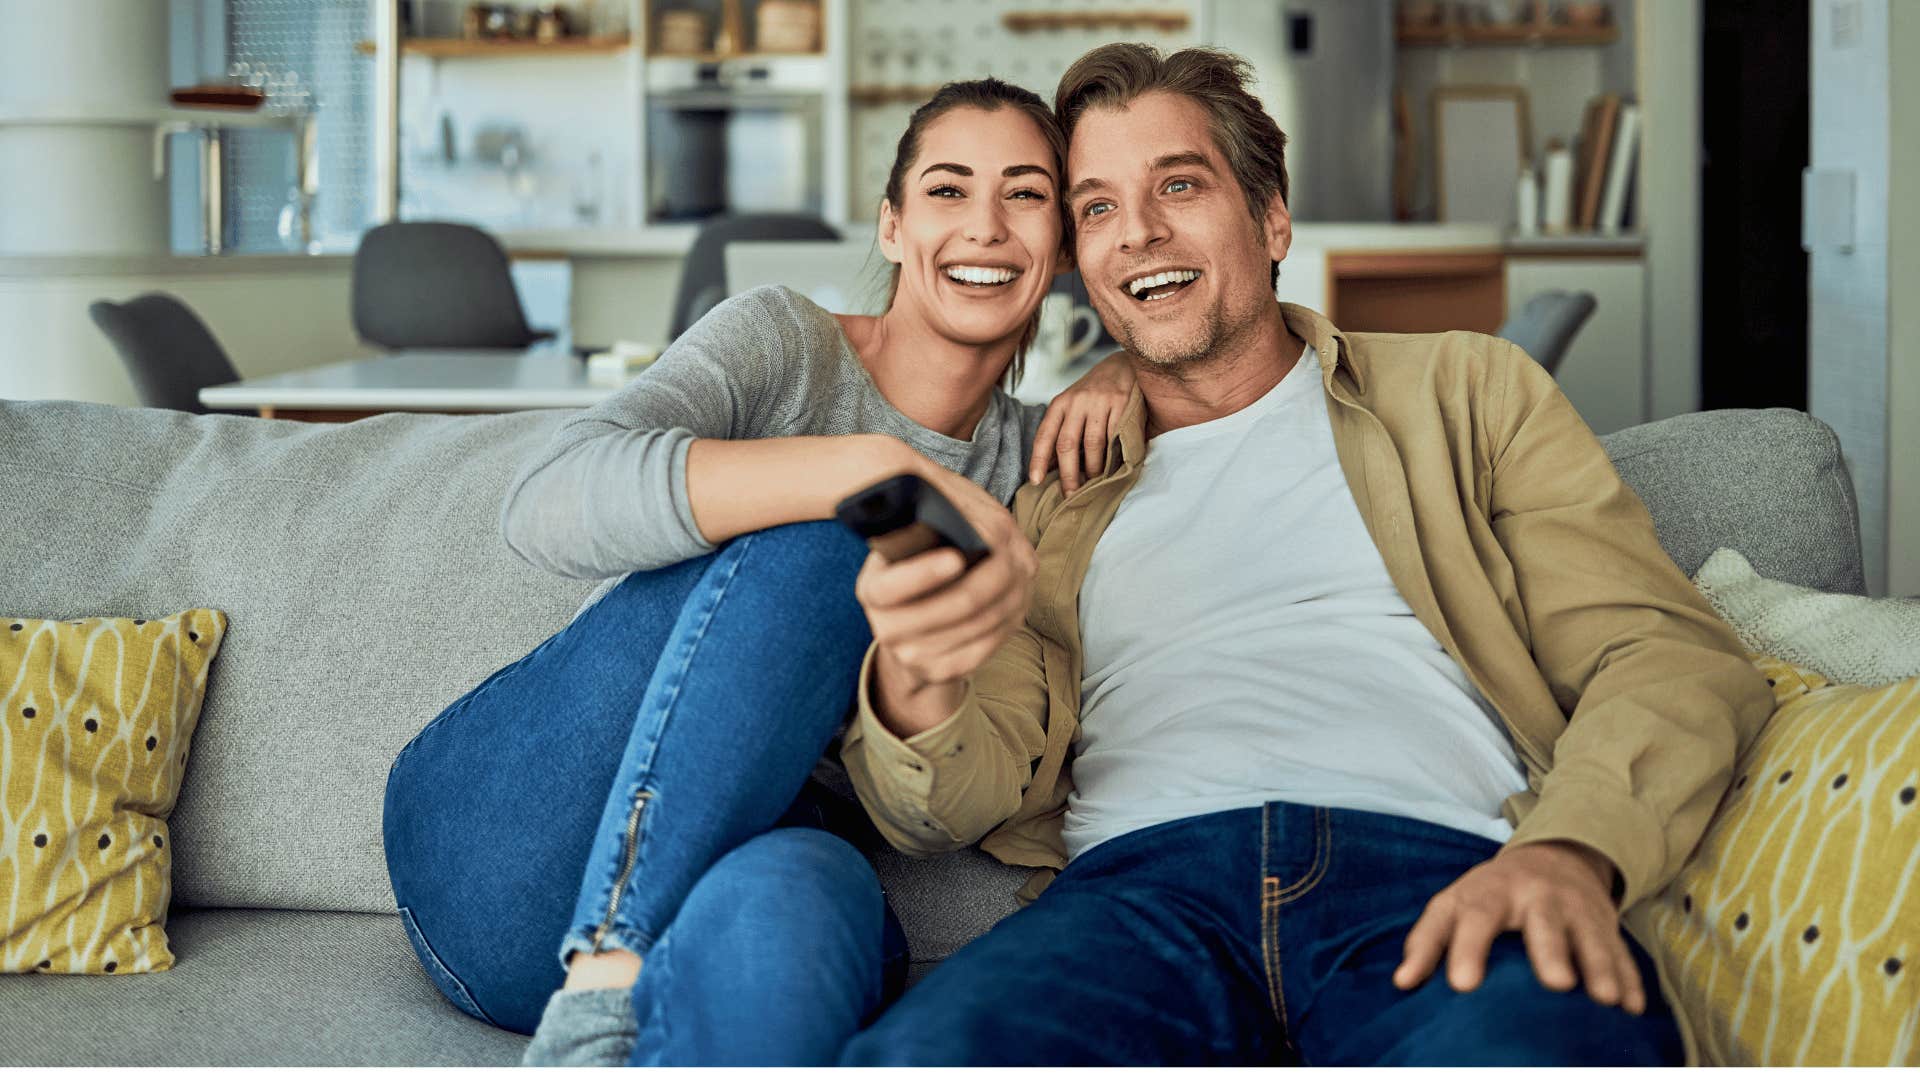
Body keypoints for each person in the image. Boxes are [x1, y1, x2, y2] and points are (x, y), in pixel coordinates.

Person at [833, 44, 1775, 1066]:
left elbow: (1660, 652)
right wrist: (920, 673)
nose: (1139, 231)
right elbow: (954, 799)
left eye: (1179, 185)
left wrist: (1574, 850)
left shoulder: (1466, 394)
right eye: (1096, 208)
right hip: (1141, 900)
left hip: (1438, 875)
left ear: (1271, 217)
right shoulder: (1055, 491)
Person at [380, 77, 1134, 1067]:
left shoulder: (1035, 469)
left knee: (814, 898)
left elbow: (1237, 339)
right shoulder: (787, 344)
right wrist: (868, 469)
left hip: (724, 887)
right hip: (504, 841)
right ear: (894, 226)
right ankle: (606, 982)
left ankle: (623, 1018)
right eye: (949, 191)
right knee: (837, 537)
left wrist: (1136, 367)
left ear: (1064, 245)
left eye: (1026, 195)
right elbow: (545, 499)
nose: (985, 226)